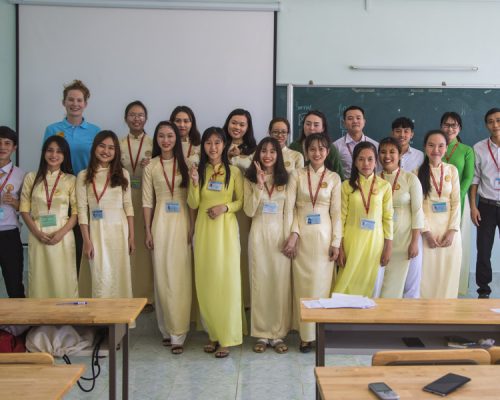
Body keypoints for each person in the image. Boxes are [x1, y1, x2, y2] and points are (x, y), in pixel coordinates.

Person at [187, 127, 243, 359]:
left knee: (226, 281)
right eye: (208, 143)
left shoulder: (234, 172)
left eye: (217, 143)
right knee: (207, 280)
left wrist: (225, 207)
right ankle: (212, 333)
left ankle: (227, 337)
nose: (212, 147)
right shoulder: (199, 170)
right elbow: (193, 203)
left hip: (226, 230)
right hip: (204, 230)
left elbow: (241, 202)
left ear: (225, 145)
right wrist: (193, 182)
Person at [283, 133, 341, 353]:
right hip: (302, 238)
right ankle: (305, 336)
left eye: (322, 149)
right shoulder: (296, 175)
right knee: (303, 286)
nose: (317, 153)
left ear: (327, 152)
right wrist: (293, 234)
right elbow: (290, 208)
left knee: (322, 286)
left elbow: (336, 213)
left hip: (325, 237)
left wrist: (337, 241)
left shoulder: (334, 178)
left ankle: (320, 334)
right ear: (306, 152)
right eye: (312, 149)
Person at [143, 121, 192, 354]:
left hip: (182, 221)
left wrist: (193, 226)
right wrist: (147, 230)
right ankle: (166, 329)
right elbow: (146, 201)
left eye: (170, 136)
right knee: (162, 274)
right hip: (160, 221)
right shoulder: (150, 166)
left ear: (177, 138)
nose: (166, 140)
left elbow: (193, 199)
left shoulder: (188, 163)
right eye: (161, 136)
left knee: (180, 276)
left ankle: (179, 331)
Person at [43, 79, 100, 274]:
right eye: (71, 99)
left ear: (85, 104)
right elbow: (46, 162)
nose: (75, 104)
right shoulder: (52, 129)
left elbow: (100, 161)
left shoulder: (95, 131)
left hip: (86, 191)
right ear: (63, 102)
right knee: (64, 242)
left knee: (84, 241)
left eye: (79, 100)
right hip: (61, 193)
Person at [244, 137, 291, 354]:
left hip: (280, 235)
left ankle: (278, 334)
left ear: (278, 155)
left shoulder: (286, 178)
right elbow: (249, 211)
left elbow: (289, 211)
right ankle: (262, 333)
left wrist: (291, 236)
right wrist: (260, 186)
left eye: (273, 151)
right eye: (264, 151)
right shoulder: (250, 178)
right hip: (259, 233)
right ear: (258, 154)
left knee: (279, 283)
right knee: (260, 282)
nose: (268, 155)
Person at [76, 131, 134, 299]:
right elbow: (81, 211)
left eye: (111, 148)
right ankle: (100, 321)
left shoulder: (123, 174)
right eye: (102, 146)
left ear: (116, 152)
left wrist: (131, 236)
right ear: (94, 148)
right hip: (96, 231)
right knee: (100, 276)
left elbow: (128, 206)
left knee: (119, 275)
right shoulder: (83, 176)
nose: (106, 151)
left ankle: (120, 320)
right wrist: (87, 241)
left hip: (119, 230)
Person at [20, 136, 78, 298]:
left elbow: (76, 212)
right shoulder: (31, 178)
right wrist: (37, 233)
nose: (54, 155)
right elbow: (24, 209)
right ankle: (40, 319)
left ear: (65, 155)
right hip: (38, 234)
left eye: (59, 151)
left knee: (63, 277)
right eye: (50, 150)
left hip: (63, 234)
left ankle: (66, 319)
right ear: (44, 153)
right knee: (39, 278)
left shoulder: (71, 180)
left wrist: (61, 233)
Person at [334, 141, 393, 297]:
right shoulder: (346, 185)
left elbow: (388, 218)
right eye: (360, 159)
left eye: (370, 159)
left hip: (375, 241)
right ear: (354, 162)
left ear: (376, 161)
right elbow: (340, 217)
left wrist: (388, 246)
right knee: (345, 284)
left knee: (371, 286)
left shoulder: (384, 186)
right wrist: (339, 246)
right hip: (351, 240)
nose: (365, 163)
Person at [377, 137, 424, 298]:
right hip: (379, 239)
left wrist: (414, 242)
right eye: (383, 152)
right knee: (380, 283)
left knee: (405, 284)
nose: (387, 156)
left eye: (392, 152)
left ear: (399, 155)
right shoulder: (374, 178)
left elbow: (418, 212)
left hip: (405, 239)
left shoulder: (410, 179)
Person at [418, 130, 461, 298]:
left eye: (441, 146)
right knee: (427, 275)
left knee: (448, 274)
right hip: (427, 231)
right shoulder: (416, 172)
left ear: (446, 148)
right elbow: (417, 207)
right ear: (424, 147)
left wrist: (452, 231)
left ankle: (447, 315)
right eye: (431, 145)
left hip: (450, 230)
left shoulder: (452, 170)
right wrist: (427, 233)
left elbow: (456, 203)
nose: (436, 150)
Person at [119, 101, 154, 310]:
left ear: (146, 118)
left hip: (146, 197)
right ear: (126, 118)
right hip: (122, 198)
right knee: (125, 243)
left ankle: (147, 295)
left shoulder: (153, 143)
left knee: (144, 244)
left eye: (140, 115)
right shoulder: (117, 142)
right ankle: (126, 292)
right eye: (132, 115)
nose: (136, 118)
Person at [223, 108, 256, 309]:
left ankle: (244, 300)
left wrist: (240, 158)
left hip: (244, 208)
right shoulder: (217, 144)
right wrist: (226, 154)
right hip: (222, 206)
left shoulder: (254, 149)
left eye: (242, 124)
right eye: (234, 123)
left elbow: (256, 171)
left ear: (248, 128)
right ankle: (227, 299)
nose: (237, 127)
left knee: (243, 252)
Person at [440, 111, 475, 295]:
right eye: (446, 124)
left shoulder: (466, 150)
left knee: (455, 242)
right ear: (441, 127)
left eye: (454, 125)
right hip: (435, 204)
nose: (450, 128)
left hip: (459, 201)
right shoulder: (435, 146)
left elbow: (469, 177)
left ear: (459, 128)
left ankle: (456, 285)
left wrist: (456, 197)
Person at [391, 117, 424, 298]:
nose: (402, 134)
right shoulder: (385, 153)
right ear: (392, 133)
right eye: (398, 130)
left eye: (406, 131)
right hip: (389, 214)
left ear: (412, 134)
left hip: (411, 212)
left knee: (412, 269)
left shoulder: (419, 156)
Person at [470, 108, 500, 299]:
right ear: (486, 125)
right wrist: (473, 206)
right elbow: (475, 179)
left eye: (498, 120)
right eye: (490, 121)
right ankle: (483, 291)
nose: (495, 125)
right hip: (486, 206)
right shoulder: (479, 147)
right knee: (483, 250)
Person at [0, 126, 26, 298]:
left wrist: (15, 203)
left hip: (9, 234)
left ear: (14, 147)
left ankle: (20, 325)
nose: (2, 147)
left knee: (14, 282)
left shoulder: (21, 175)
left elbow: (26, 208)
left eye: (7, 143)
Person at [289, 110, 344, 179]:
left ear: (323, 128)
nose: (311, 128)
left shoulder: (330, 148)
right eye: (308, 124)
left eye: (316, 125)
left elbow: (340, 177)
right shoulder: (294, 147)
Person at [333, 106, 379, 179]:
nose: (355, 121)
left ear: (364, 122)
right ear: (344, 123)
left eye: (358, 118)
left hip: (370, 187)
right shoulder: (336, 146)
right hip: (346, 188)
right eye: (350, 118)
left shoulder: (375, 145)